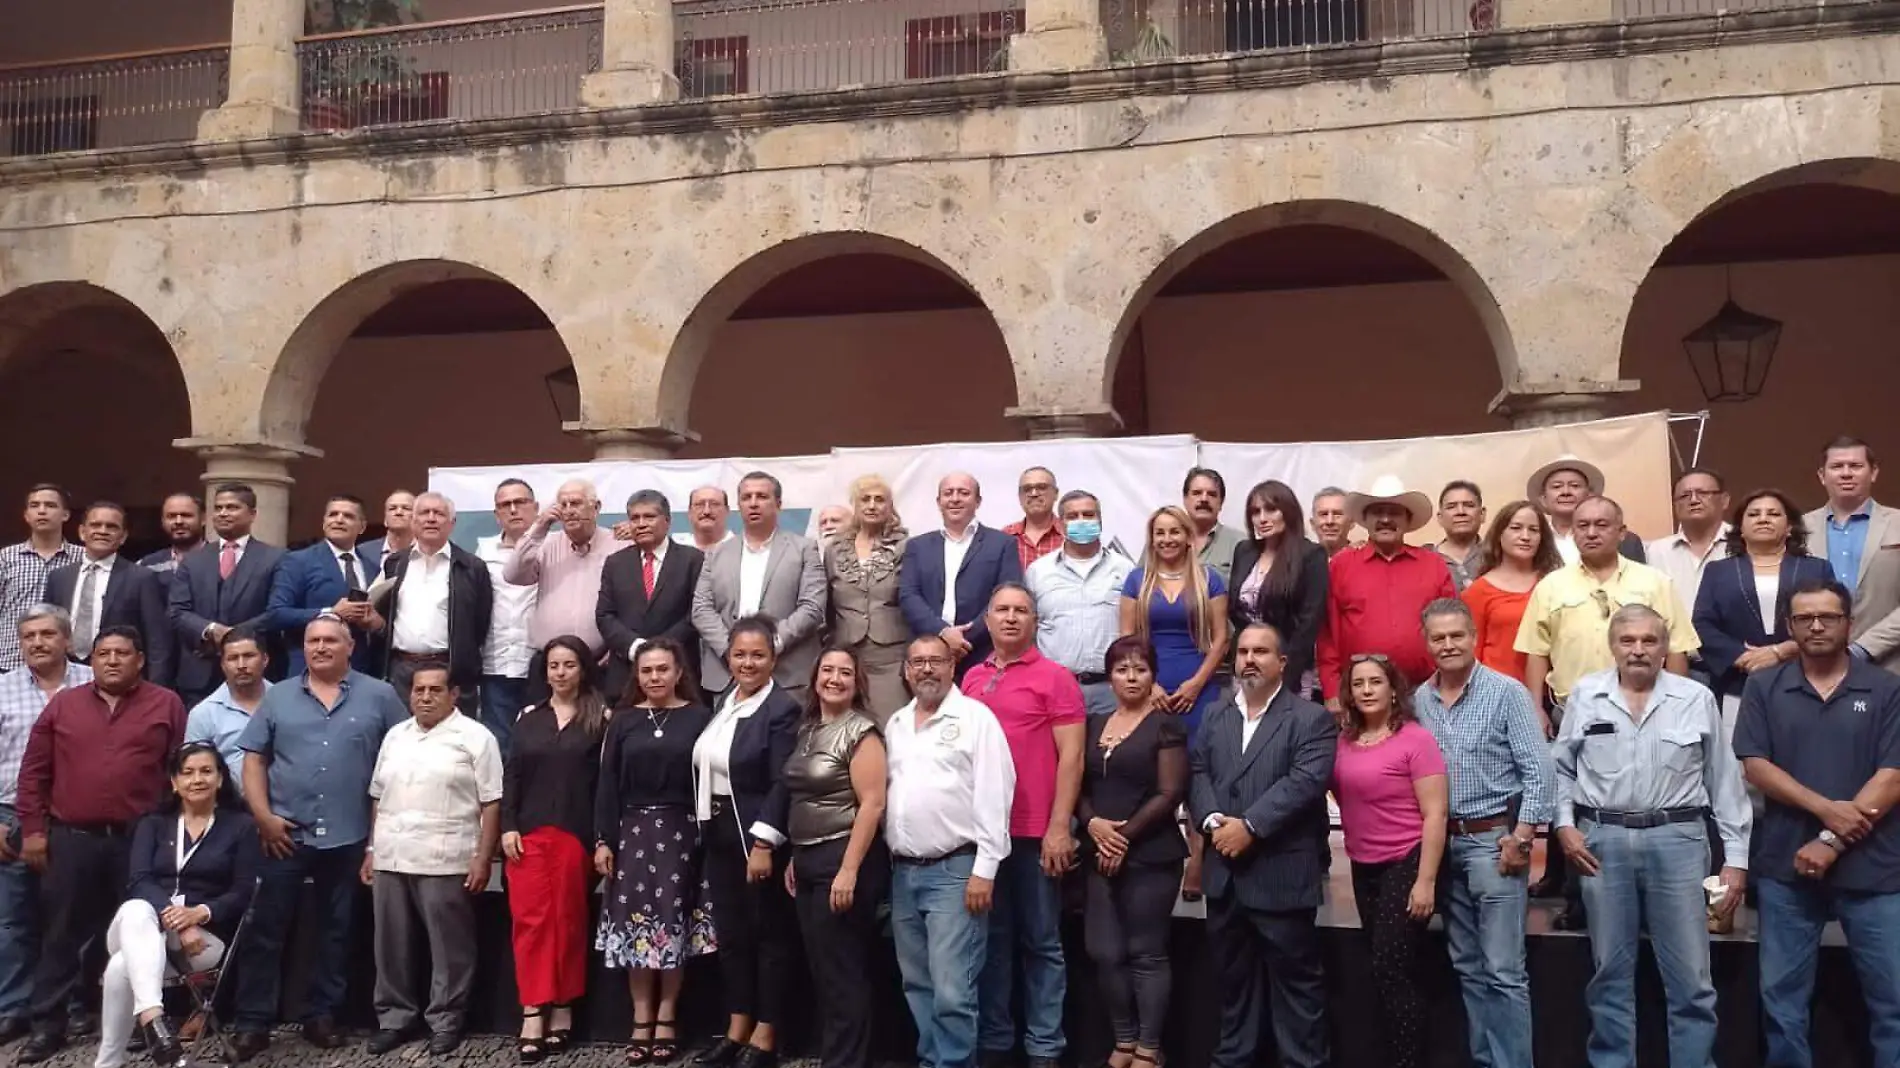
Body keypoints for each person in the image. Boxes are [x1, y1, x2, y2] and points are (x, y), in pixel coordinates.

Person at [1551, 605, 1749, 1068]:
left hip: (1678, 842)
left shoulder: (1694, 697)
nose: (1638, 650)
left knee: (1692, 982)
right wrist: (1563, 826)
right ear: (1612, 645)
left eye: (1649, 641)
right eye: (1627, 641)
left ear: (1665, 647)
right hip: (1603, 843)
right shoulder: (1586, 694)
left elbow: (1725, 781)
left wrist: (1735, 858)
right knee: (1609, 976)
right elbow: (1560, 769)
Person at [1734, 579, 1900, 1068]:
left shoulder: (1888, 688)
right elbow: (1755, 765)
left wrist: (1829, 838)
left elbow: (1891, 778)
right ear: (1790, 627)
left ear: (1849, 624)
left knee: (1893, 1002)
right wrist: (1828, 810)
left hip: (1876, 871)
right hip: (1786, 867)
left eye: (1828, 617)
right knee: (1782, 1003)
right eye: (1805, 618)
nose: (1817, 626)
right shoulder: (1765, 685)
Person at [230, 614, 408, 1059]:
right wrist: (263, 816)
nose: (321, 648)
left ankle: (322, 1015)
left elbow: (399, 766)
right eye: (313, 641)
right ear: (302, 647)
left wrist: (375, 840)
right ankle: (253, 1022)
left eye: (331, 640)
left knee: (337, 930)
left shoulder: (381, 696)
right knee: (266, 931)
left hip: (349, 836)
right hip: (284, 835)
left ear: (350, 647)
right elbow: (253, 760)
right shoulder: (279, 696)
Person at [1518, 495, 1698, 919]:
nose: (1592, 532)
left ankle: (1653, 904)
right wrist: (1536, 709)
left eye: (1602, 524)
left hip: (1645, 711)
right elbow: (1535, 652)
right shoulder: (1551, 586)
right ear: (1572, 532)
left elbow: (1678, 647)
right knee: (1577, 807)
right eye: (1583, 525)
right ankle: (1582, 902)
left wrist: (1676, 705)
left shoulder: (1654, 582)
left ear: (1622, 531)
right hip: (1574, 713)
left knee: (1640, 805)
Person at [15, 626, 185, 1063]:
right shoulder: (64, 706)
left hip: (140, 841)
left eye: (122, 653)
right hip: (73, 838)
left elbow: (180, 774)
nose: (111, 660)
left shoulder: (166, 704)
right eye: (102, 653)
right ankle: (47, 1026)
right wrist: (33, 830)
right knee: (59, 934)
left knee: (141, 933)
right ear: (90, 660)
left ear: (140, 659)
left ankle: (139, 1023)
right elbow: (34, 772)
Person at [1189, 622, 1337, 1068]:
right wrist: (1215, 823)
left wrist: (1250, 826)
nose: (1250, 659)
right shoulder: (1216, 713)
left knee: (1297, 994)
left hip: (1280, 875)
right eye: (1244, 651)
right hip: (1225, 879)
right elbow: (1198, 771)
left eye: (1261, 652)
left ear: (1283, 663)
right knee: (1234, 991)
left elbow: (1305, 782)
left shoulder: (1310, 718)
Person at [1413, 599, 1551, 1068]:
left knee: (1503, 972)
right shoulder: (1418, 700)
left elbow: (1539, 771)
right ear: (1426, 643)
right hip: (1441, 846)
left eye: (1457, 635)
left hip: (1494, 844)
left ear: (1473, 637)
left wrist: (1524, 837)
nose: (1448, 645)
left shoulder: (1506, 692)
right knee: (1468, 968)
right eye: (1438, 637)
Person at [962, 585, 1085, 1068]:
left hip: (1036, 834)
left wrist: (1060, 826)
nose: (1011, 618)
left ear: (1035, 621)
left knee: (1041, 944)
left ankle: (1044, 1049)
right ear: (987, 620)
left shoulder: (1056, 678)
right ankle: (995, 1044)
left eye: (1022, 611)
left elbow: (1072, 758)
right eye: (1002, 610)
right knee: (990, 946)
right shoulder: (970, 678)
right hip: (981, 839)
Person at [885, 634, 1015, 1068]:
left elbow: (998, 794)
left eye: (935, 661)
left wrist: (985, 869)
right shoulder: (897, 724)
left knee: (953, 991)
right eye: (917, 662)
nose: (926, 669)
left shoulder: (976, 718)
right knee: (917, 985)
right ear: (905, 670)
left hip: (956, 871)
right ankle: (932, 1061)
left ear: (951, 667)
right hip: (904, 872)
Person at [362, 665, 503, 1056]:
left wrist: (482, 857)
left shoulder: (476, 737)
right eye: (419, 689)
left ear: (453, 694)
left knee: (449, 947)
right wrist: (372, 849)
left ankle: (446, 1020)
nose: (425, 696)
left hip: (445, 855)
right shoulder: (396, 736)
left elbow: (491, 802)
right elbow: (378, 796)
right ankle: (395, 1018)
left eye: (435, 689)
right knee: (390, 946)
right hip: (392, 854)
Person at [93, 742, 257, 1068]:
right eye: (188, 772)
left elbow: (242, 891)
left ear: (221, 779)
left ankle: (110, 1061)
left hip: (203, 940)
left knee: (121, 967)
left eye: (207, 771)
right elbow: (139, 880)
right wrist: (176, 920)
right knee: (137, 908)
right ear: (174, 782)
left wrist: (201, 913)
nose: (197, 779)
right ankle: (155, 1017)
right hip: (146, 927)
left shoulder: (239, 827)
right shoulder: (153, 824)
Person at [594, 639, 714, 1068]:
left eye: (663, 670)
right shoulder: (623, 722)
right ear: (637, 676)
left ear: (679, 672)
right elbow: (607, 783)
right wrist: (603, 839)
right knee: (636, 929)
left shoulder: (702, 718)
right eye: (647, 671)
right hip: (632, 833)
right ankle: (641, 1017)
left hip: (682, 834)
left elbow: (710, 781)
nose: (655, 678)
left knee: (672, 923)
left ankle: (667, 1016)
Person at [692, 616, 801, 1068]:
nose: (748, 662)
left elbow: (782, 781)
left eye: (758, 655)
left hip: (756, 840)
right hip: (718, 834)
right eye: (740, 654)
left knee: (769, 938)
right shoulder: (724, 700)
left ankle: (767, 1035)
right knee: (733, 937)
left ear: (773, 659)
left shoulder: (782, 709)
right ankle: (737, 1028)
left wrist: (764, 843)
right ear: (728, 657)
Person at [1331, 653, 1447, 1068]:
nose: (1366, 690)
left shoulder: (1415, 739)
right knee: (1384, 969)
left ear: (1394, 689)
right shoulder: (1343, 742)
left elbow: (1436, 813)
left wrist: (1426, 880)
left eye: (1375, 682)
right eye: (1358, 683)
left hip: (1408, 861)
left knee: (1391, 968)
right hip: (1364, 865)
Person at [1078, 637, 1186, 1068]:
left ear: (1153, 675)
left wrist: (1123, 838)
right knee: (1103, 951)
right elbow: (1076, 785)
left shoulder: (1166, 725)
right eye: (1122, 669)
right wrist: (1091, 824)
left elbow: (1171, 791)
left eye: (1140, 669)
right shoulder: (1093, 722)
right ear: (1110, 676)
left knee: (1146, 951)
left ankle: (1148, 1047)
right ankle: (1123, 1041)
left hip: (1152, 853)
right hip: (1096, 847)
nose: (1131, 677)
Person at [503, 636, 609, 1062]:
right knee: (529, 923)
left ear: (583, 669)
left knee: (566, 922)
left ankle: (563, 1006)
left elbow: (605, 786)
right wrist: (507, 826)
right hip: (527, 836)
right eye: (553, 665)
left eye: (569, 665)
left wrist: (601, 838)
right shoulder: (528, 718)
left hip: (573, 834)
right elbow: (512, 776)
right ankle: (533, 1010)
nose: (560, 672)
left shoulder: (600, 719)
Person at [783, 647, 889, 1068]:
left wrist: (848, 870)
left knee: (843, 975)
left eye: (845, 672)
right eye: (827, 670)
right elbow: (805, 798)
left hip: (844, 861)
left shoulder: (862, 732)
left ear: (857, 683)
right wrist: (795, 855)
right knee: (824, 974)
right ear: (814, 678)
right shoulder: (807, 729)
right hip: (808, 861)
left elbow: (873, 805)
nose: (835, 678)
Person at [0, 606, 90, 1044]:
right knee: (13, 918)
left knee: (69, 917)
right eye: (29, 635)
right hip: (9, 816)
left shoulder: (94, 682)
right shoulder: (2, 689)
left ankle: (69, 1006)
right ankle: (14, 1007)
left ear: (67, 640)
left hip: (74, 817)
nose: (37, 642)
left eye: (47, 634)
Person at [1694, 489, 1832, 740]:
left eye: (1773, 514)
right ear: (1741, 529)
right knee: (1742, 764)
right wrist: (1743, 656)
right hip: (1739, 682)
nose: (1763, 519)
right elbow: (1702, 624)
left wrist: (1781, 651)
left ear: (1789, 527)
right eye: (1754, 514)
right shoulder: (1718, 571)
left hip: (1805, 677)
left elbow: (1831, 620)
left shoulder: (1816, 568)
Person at [1316, 477, 1455, 708]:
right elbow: (1327, 634)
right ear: (1365, 520)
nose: (1386, 519)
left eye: (1394, 512)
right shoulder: (1341, 566)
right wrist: (1331, 691)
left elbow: (1451, 627)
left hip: (1428, 691)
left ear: (1408, 520)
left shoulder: (1434, 565)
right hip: (1360, 694)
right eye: (1378, 512)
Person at [691, 472, 827, 703]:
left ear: (778, 504)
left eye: (762, 496)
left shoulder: (804, 549)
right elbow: (701, 609)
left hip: (787, 674)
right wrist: (734, 652)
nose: (753, 503)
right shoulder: (717, 554)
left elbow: (812, 608)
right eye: (746, 497)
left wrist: (770, 646)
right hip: (728, 676)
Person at [504, 480, 631, 719]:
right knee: (543, 733)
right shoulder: (545, 543)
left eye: (576, 503)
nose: (569, 510)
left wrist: (616, 647)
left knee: (598, 732)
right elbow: (512, 574)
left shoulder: (619, 543)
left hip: (601, 665)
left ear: (596, 508)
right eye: (563, 504)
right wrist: (539, 526)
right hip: (550, 668)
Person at [168, 484, 285, 705]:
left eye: (232, 507)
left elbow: (277, 611)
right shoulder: (192, 561)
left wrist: (235, 636)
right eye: (218, 508)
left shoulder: (276, 558)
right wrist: (212, 630)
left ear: (252, 514)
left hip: (256, 672)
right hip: (199, 676)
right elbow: (177, 611)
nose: (223, 513)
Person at [1120, 506, 1231, 739]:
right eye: (1160, 533)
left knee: (1198, 760)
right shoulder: (1136, 580)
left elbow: (1221, 639)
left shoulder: (1210, 579)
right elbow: (1126, 639)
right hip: (1148, 688)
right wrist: (1148, 686)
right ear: (1152, 539)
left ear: (1188, 537)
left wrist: (1196, 684)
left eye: (1174, 532)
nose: (1167, 539)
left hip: (1198, 689)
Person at [899, 473, 1024, 679]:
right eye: (948, 493)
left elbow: (1007, 597)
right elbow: (908, 595)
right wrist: (943, 634)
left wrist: (964, 639)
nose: (955, 498)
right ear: (939, 502)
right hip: (929, 657)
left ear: (978, 501)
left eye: (964, 493)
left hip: (983, 654)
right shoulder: (917, 546)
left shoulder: (1002, 544)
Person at [377, 492, 493, 713]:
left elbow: (479, 624)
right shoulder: (395, 563)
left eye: (439, 513)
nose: (431, 519)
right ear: (413, 521)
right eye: (424, 513)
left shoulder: (471, 567)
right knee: (404, 737)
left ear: (452, 523)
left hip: (449, 669)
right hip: (401, 670)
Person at [1027, 490, 1133, 717]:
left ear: (1100, 521)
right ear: (1061, 524)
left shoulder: (1125, 570)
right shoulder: (1038, 572)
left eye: (1088, 514)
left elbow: (1137, 628)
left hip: (1111, 690)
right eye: (1073, 516)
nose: (1081, 521)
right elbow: (1029, 631)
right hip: (1055, 689)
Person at [43, 501, 173, 687]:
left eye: (111, 527)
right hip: (65, 675)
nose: (102, 531)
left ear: (123, 536)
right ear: (82, 532)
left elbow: (157, 640)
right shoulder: (59, 577)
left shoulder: (142, 578)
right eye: (95, 525)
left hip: (119, 677)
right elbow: (48, 629)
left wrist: (156, 688)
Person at [1802, 436, 1900, 672]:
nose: (1846, 473)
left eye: (1855, 466)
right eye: (1837, 466)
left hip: (1890, 663)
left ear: (1873, 472)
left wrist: (1863, 648)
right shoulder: (1798, 529)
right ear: (1822, 475)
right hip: (1812, 665)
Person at [599, 489, 706, 706]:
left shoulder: (692, 559)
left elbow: (696, 613)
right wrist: (635, 647)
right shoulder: (615, 563)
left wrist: (660, 651)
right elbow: (605, 615)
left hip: (679, 676)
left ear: (667, 521)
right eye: (635, 518)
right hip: (626, 675)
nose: (641, 524)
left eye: (649, 516)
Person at [823, 475, 911, 721]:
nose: (872, 505)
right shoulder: (834, 549)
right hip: (846, 654)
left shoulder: (906, 546)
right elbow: (827, 605)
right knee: (845, 728)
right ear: (855, 505)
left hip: (890, 658)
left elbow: (911, 599)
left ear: (890, 506)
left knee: (888, 726)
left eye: (879, 499)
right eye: (865, 499)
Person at [263, 494, 382, 676]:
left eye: (348, 516)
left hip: (360, 669)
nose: (339, 520)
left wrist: (376, 623)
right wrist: (330, 613)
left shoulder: (372, 567)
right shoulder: (298, 561)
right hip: (310, 668)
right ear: (324, 522)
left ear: (362, 527)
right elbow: (276, 613)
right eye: (333, 514)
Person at [1228, 480, 1328, 697]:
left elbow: (1309, 624)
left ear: (1288, 512)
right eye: (1255, 512)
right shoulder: (1244, 551)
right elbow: (1235, 612)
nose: (1262, 518)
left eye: (1271, 509)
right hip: (1247, 665)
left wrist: (1286, 674)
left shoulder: (1311, 555)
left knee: (1285, 728)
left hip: (1290, 668)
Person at [1461, 500, 1562, 683]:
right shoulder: (1477, 591)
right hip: (1497, 693)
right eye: (1516, 528)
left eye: (1534, 530)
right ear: (1500, 534)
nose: (1525, 536)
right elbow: (1470, 656)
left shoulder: (1554, 584)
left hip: (1550, 696)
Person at [478, 479, 540, 755]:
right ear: (496, 514)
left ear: (536, 508)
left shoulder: (555, 546)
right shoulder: (482, 552)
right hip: (496, 663)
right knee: (499, 745)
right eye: (505, 505)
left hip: (541, 663)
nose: (513, 510)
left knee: (539, 743)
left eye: (521, 502)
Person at [0, 485, 80, 674]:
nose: (42, 511)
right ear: (26, 515)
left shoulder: (83, 558)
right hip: (10, 659)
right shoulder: (6, 558)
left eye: (50, 505)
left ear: (65, 515)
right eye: (35, 505)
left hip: (68, 663)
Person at [1527, 456, 1647, 565]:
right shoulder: (1529, 538)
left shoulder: (1626, 541)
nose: (1566, 492)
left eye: (1575, 486)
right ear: (1543, 499)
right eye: (1557, 486)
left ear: (1590, 495)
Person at [184, 628, 273, 774]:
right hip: (230, 796)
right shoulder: (203, 714)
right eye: (233, 658)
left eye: (249, 656)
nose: (241, 665)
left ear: (265, 660)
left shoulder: (286, 701)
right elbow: (194, 773)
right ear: (222, 665)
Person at [1646, 468, 1732, 616]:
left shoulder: (1744, 543)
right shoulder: (1656, 551)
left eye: (1703, 493)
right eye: (1684, 495)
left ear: (1724, 500)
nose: (1693, 500)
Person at [1182, 468, 1243, 585]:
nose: (1204, 499)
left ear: (1221, 503)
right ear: (1185, 500)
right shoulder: (1164, 540)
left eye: (1212, 494)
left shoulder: (1240, 544)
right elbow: (1139, 585)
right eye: (1197, 493)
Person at [137, 493, 205, 596]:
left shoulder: (221, 560)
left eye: (186, 515)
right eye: (171, 516)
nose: (178, 521)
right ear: (163, 521)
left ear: (203, 519)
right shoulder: (147, 565)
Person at [1003, 467, 1064, 571]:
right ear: (1019, 496)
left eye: (1042, 487)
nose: (1034, 493)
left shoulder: (1070, 535)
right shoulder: (1004, 537)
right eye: (1027, 489)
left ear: (1056, 494)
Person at [1431, 481, 1487, 593]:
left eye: (1469, 505)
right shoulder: (1427, 561)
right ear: (1440, 518)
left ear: (1482, 514)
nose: (1460, 512)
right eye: (1451, 507)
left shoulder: (1499, 556)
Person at [359, 490, 417, 563]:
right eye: (392, 508)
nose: (398, 512)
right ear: (385, 519)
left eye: (406, 508)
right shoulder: (363, 552)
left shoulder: (428, 551)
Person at [682, 486, 734, 551]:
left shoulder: (741, 549)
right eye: (699, 505)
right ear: (690, 512)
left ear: (727, 511)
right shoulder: (677, 552)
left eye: (714, 504)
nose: (707, 511)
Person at [1308, 487, 1355, 559]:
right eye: (1324, 514)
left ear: (1352, 522)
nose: (1330, 521)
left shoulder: (1363, 562)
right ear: (1313, 524)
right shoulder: (1299, 562)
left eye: (1337, 514)